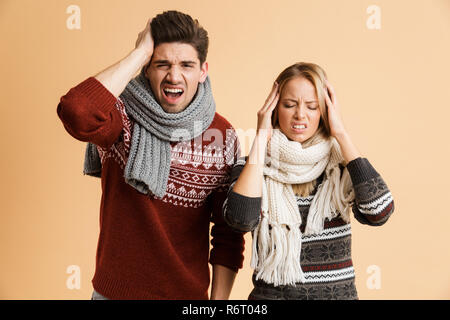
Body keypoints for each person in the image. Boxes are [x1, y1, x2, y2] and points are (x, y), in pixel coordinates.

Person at [57, 10, 244, 300]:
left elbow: (227, 233)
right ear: (147, 68)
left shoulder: (222, 137)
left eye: (186, 65)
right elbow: (76, 110)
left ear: (203, 70)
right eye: (162, 64)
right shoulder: (120, 118)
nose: (174, 76)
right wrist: (139, 52)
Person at [223, 62, 394, 300]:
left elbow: (380, 212)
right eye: (289, 104)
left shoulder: (341, 164)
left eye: (312, 107)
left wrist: (341, 133)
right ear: (274, 109)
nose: (300, 114)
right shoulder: (251, 165)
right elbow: (239, 220)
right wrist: (261, 138)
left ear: (324, 111)